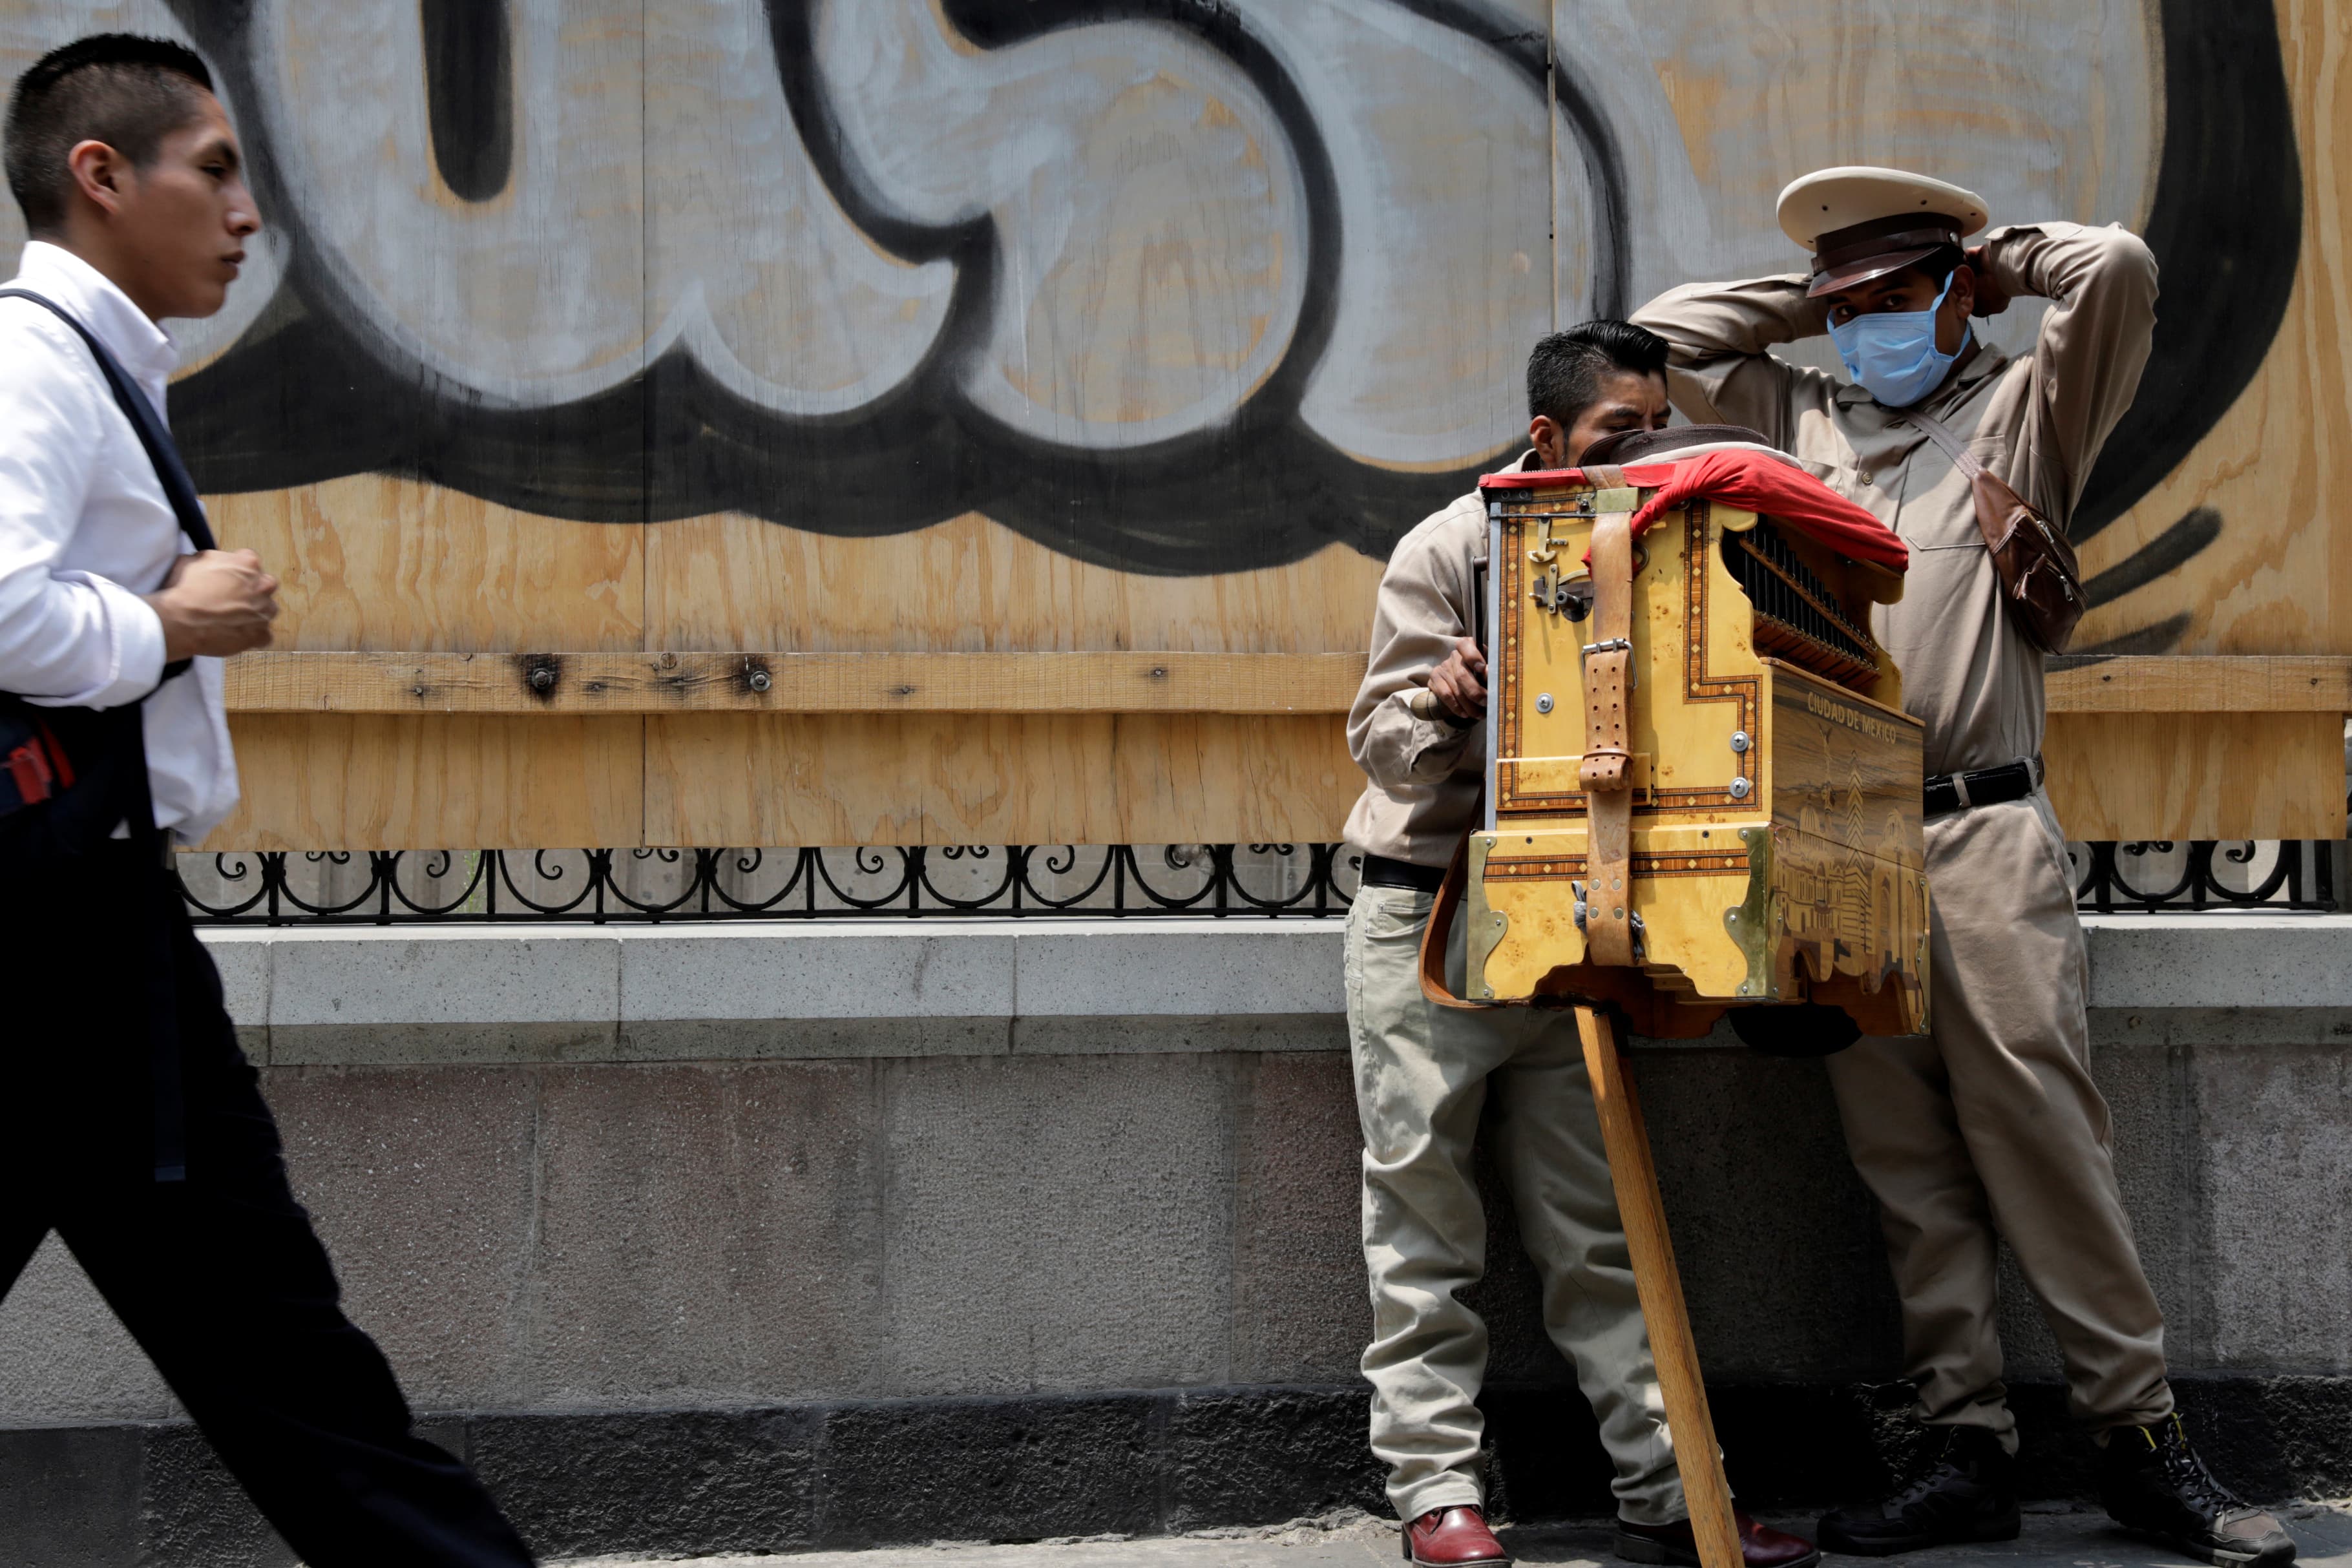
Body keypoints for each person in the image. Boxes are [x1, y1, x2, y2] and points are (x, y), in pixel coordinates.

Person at [1632, 167, 2296, 1567]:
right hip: (1831, 838)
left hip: (1980, 830)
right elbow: (1659, 341)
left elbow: (2113, 264)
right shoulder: (1793, 415)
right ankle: (1960, 1447)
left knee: (2043, 1137)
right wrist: (1817, 299)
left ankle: (2139, 1438)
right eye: (1845, 304)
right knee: (1903, 1163)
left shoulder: (2020, 409)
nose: (1868, 324)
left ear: (1955, 296)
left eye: (1896, 296)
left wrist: (1983, 263)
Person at [0, 35, 538, 1565]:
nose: (247, 214)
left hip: (76, 926)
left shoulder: (87, 359)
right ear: (101, 176)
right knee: (281, 1352)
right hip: (70, 941)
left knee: (274, 1345)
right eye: (216, 169)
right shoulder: (34, 358)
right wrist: (175, 624)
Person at [1343, 320, 1820, 1568]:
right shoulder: (1450, 548)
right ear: (1548, 437)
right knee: (1421, 1218)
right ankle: (1437, 1494)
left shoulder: (1664, 552)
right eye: (1624, 431)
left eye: (1660, 425)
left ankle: (1676, 1499)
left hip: (1569, 926)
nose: (1649, 448)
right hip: (1430, 923)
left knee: (1596, 1224)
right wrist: (1442, 703)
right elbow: (1377, 746)